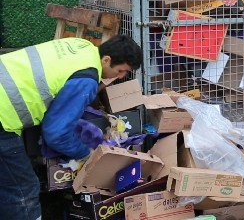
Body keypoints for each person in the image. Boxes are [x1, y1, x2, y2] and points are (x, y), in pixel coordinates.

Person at [0, 35, 142, 220]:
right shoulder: (86, 79)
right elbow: (56, 133)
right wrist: (86, 154)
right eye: (121, 71)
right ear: (106, 59)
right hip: (3, 118)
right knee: (23, 189)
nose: (120, 77)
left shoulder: (81, 46)